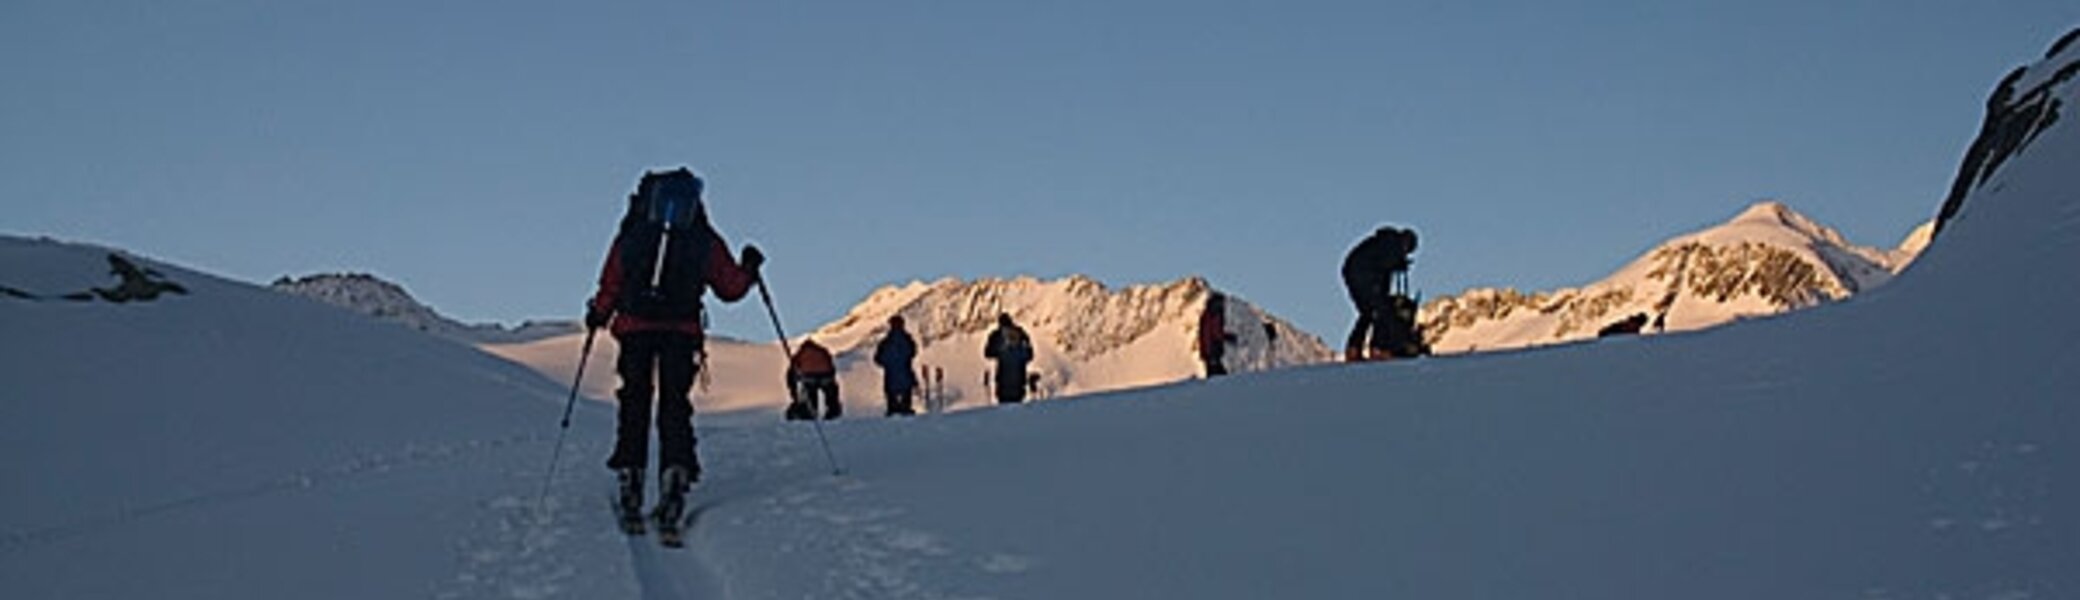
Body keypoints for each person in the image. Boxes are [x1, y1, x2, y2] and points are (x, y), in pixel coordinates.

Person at [586, 167, 763, 529]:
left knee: (634, 399)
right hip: (681, 332)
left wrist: (598, 314)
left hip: (635, 329)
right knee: (674, 405)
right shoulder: (702, 238)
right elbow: (729, 288)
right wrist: (750, 269)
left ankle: (631, 475)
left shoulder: (633, 234)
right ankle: (675, 476)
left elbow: (612, 281)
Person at [1341, 226, 1423, 361]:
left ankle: (1354, 349)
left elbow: (1382, 269)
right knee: (1383, 312)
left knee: (1367, 312)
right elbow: (1386, 266)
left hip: (1352, 273)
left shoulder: (1383, 242)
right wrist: (1397, 263)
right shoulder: (1392, 243)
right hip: (1364, 276)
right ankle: (1379, 348)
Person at [982, 313, 1034, 404]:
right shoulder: (1021, 334)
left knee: (1004, 408)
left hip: (1003, 382)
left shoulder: (997, 336)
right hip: (1019, 381)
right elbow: (1029, 355)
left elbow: (988, 353)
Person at [873, 315, 919, 416]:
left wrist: (887, 363)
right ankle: (904, 408)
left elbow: (877, 359)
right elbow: (913, 352)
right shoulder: (907, 339)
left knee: (892, 398)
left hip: (891, 375)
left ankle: (894, 409)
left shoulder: (886, 342)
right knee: (906, 394)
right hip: (905, 373)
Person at [787, 338, 842, 421]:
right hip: (826, 376)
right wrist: (831, 377)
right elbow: (831, 365)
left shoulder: (801, 353)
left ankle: (810, 412)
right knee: (830, 393)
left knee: (810, 394)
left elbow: (792, 372)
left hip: (809, 377)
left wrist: (794, 394)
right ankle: (833, 411)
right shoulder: (822, 351)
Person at [1197, 292, 1236, 377]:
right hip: (1212, 351)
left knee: (1214, 376)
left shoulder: (1208, 314)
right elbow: (1214, 333)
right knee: (1219, 377)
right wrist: (1227, 337)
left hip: (1210, 352)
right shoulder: (1213, 315)